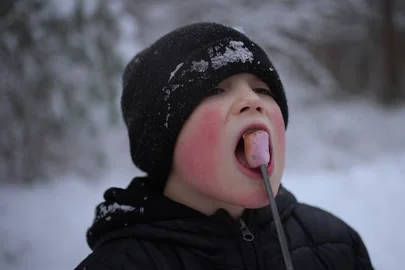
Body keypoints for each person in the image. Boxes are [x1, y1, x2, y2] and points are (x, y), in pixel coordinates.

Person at [74, 22, 374, 270]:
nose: (253, 101)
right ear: (163, 139)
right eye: (215, 89)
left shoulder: (336, 244)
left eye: (262, 89)